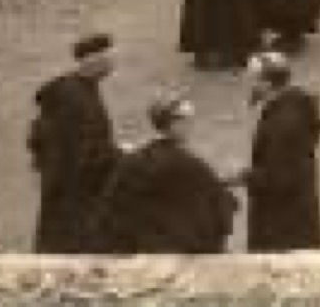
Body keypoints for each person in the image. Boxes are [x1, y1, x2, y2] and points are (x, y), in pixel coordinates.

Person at [96, 95, 237, 255]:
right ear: (174, 124)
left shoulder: (137, 158)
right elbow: (216, 207)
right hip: (178, 249)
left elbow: (112, 205)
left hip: (142, 245)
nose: (190, 126)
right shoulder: (188, 164)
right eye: (186, 121)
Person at [29, 33, 121, 253]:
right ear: (92, 61)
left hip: (60, 185)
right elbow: (90, 154)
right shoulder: (80, 102)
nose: (112, 65)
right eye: (108, 60)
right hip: (76, 192)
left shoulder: (68, 88)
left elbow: (38, 135)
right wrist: (121, 156)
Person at [231, 52, 320, 252]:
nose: (248, 85)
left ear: (266, 84)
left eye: (252, 80)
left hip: (282, 220)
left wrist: (245, 176)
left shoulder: (282, 125)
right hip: (300, 201)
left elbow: (278, 177)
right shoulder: (298, 101)